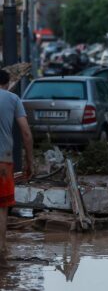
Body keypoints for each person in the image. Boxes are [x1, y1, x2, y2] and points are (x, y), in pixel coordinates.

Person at [0, 70, 33, 268]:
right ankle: (1, 251)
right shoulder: (13, 99)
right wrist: (30, 162)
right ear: (8, 82)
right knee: (2, 209)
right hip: (3, 162)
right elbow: (26, 134)